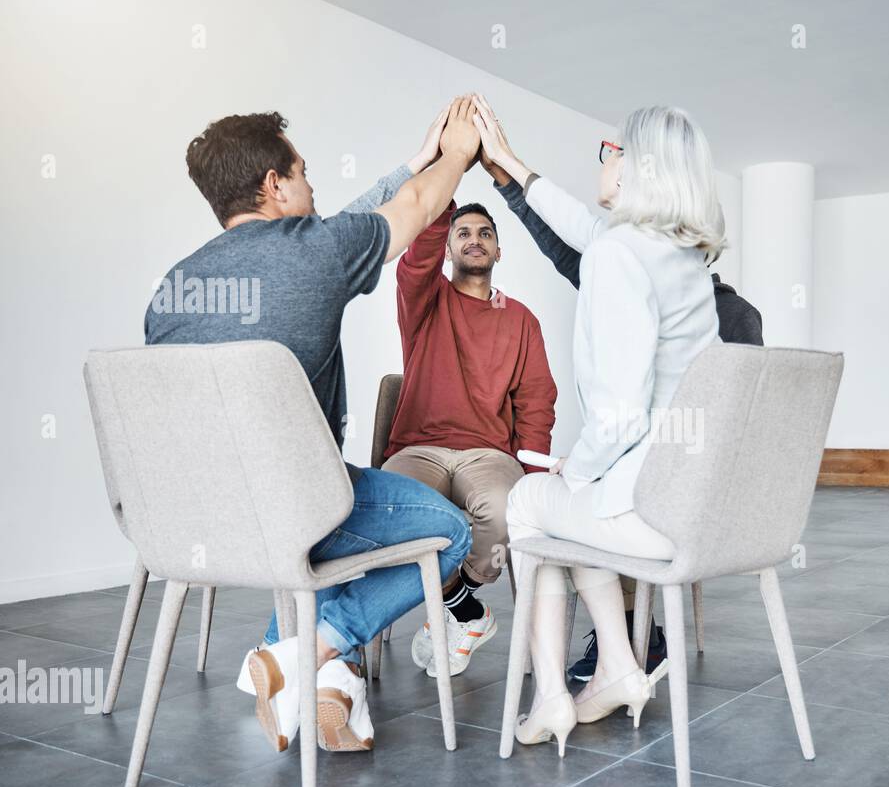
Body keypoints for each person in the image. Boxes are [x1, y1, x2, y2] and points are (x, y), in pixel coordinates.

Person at [144, 97, 488, 753]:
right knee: (448, 530)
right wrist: (457, 156)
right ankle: (307, 651)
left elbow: (349, 221)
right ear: (275, 185)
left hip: (195, 522)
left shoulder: (173, 287)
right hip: (299, 511)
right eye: (302, 172)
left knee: (325, 521)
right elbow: (413, 210)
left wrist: (416, 158)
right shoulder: (317, 252)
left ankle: (327, 683)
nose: (313, 183)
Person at [472, 96, 724, 753]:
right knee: (573, 503)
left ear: (638, 167)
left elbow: (618, 416)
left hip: (645, 511)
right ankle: (617, 666)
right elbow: (587, 230)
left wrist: (574, 466)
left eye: (612, 150)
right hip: (690, 503)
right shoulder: (683, 259)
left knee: (531, 502)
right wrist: (511, 166)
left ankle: (552, 693)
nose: (604, 160)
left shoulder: (620, 258)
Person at [379, 191, 557, 679]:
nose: (474, 240)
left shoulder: (521, 320)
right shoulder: (425, 299)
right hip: (419, 448)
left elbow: (536, 400)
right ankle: (464, 613)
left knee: (504, 509)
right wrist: (445, 186)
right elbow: (413, 263)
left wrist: (534, 475)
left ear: (499, 251)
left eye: (485, 234)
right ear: (448, 248)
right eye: (463, 233)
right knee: (388, 511)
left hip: (488, 453)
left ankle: (455, 608)